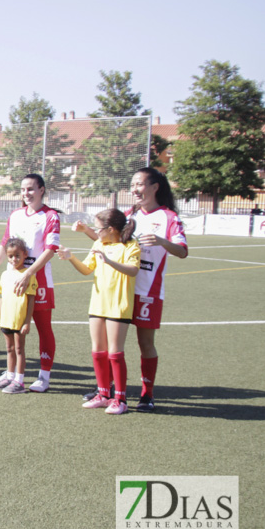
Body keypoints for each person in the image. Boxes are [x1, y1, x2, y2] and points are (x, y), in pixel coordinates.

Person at [73, 167, 188, 412]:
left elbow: (182, 251)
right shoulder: (129, 214)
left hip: (148, 290)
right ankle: (107, 390)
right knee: (109, 345)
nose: (134, 189)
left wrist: (161, 241)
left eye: (139, 184)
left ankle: (147, 394)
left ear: (154, 187)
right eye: (132, 184)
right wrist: (87, 232)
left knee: (145, 343)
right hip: (120, 290)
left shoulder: (169, 217)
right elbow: (108, 239)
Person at [59, 209, 141, 415]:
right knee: (98, 351)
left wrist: (110, 262)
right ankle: (104, 395)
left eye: (98, 228)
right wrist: (71, 258)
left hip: (118, 305)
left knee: (115, 353)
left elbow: (133, 270)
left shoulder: (130, 245)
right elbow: (87, 269)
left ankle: (120, 399)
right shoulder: (98, 244)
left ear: (110, 229)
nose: (95, 231)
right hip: (97, 304)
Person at [0, 173, 61, 393]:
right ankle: (12, 374)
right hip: (13, 283)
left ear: (42, 190)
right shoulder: (16, 215)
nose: (26, 193)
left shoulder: (51, 216)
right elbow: (5, 245)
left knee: (43, 328)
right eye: (22, 190)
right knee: (12, 328)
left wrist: (28, 273)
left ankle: (44, 376)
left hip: (40, 281)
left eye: (30, 189)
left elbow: (50, 250)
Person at [0, 238, 38, 394]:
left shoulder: (28, 275)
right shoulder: (5, 274)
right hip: (6, 317)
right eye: (11, 256)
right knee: (9, 348)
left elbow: (31, 299)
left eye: (17, 255)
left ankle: (19, 380)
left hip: (18, 319)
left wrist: (27, 322)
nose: (14, 259)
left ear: (25, 254)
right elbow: (2, 298)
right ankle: (10, 376)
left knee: (19, 349)